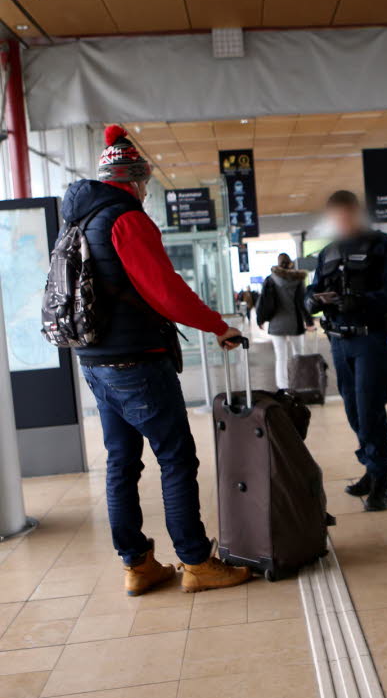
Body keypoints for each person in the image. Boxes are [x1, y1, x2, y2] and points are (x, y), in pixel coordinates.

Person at [65, 124, 252, 596]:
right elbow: (165, 291)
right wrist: (218, 325)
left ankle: (138, 564)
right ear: (132, 180)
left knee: (122, 461)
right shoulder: (125, 218)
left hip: (95, 361)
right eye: (144, 183)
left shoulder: (80, 220)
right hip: (136, 361)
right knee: (175, 458)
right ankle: (196, 561)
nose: (146, 192)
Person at [304, 190, 387, 511]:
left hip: (372, 340)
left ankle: (380, 480)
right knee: (353, 410)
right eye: (337, 217)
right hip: (339, 341)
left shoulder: (383, 247)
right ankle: (370, 465)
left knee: (369, 408)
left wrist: (362, 301)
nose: (342, 222)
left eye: (347, 215)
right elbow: (315, 286)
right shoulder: (328, 252)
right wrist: (311, 300)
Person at [257, 253, 313, 389]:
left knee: (280, 357)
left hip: (276, 324)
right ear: (290, 264)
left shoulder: (270, 280)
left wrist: (261, 319)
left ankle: (283, 386)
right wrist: (309, 321)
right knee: (298, 355)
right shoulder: (298, 280)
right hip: (295, 323)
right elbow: (302, 302)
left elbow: (263, 302)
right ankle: (299, 383)